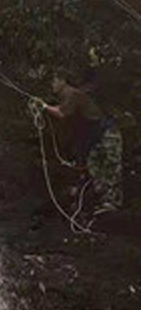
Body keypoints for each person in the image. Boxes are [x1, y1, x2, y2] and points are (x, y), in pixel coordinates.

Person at [43, 72, 122, 214]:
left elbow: (61, 113)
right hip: (94, 137)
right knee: (94, 167)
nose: (51, 85)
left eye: (53, 81)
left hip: (107, 133)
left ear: (62, 81)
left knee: (110, 166)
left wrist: (44, 107)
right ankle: (105, 202)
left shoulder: (72, 94)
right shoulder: (65, 97)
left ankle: (113, 203)